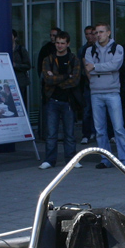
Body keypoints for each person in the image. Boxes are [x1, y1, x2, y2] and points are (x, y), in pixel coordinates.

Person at [84, 22, 125, 169]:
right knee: (100, 130)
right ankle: (105, 159)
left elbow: (115, 66)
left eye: (101, 32)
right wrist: (104, 68)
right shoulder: (90, 50)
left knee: (118, 128)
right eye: (96, 32)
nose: (98, 35)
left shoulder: (118, 48)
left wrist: (96, 67)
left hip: (112, 92)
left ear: (109, 33)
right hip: (96, 92)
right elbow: (88, 68)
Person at [40, 30, 82, 169]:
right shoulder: (48, 59)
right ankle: (49, 160)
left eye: (62, 43)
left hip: (68, 100)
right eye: (57, 43)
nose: (59, 45)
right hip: (52, 100)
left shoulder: (74, 59)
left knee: (69, 134)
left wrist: (57, 80)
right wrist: (65, 76)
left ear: (68, 44)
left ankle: (71, 160)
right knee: (51, 134)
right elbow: (47, 79)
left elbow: (75, 80)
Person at [78, 25, 96, 144]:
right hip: (87, 83)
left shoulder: (99, 48)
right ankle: (86, 134)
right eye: (87, 34)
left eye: (91, 33)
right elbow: (82, 68)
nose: (89, 36)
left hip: (99, 82)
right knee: (87, 110)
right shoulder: (83, 49)